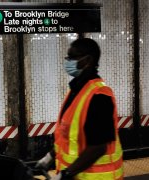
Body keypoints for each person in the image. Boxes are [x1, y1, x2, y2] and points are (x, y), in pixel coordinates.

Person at [35, 38, 123, 180]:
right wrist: (50, 156)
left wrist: (66, 174)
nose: (68, 61)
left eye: (72, 57)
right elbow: (68, 137)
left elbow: (99, 147)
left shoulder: (99, 97)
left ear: (87, 60)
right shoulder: (77, 90)